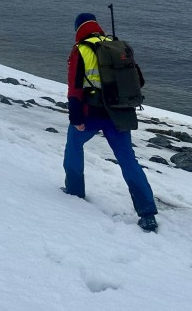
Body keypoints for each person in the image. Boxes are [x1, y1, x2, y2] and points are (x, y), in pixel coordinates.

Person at [64, 13, 159, 232]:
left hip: (91, 113)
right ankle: (147, 213)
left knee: (74, 146)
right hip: (119, 113)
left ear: (78, 28)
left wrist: (76, 118)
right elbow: (139, 81)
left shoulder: (81, 49)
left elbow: (74, 88)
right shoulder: (117, 46)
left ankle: (74, 190)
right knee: (128, 161)